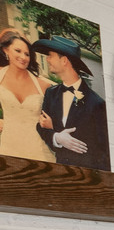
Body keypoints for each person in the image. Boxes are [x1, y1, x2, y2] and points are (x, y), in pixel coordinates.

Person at [32, 36, 108, 171]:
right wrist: (57, 137)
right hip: (59, 172)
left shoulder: (97, 103)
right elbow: (41, 127)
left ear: (64, 60)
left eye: (51, 55)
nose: (47, 59)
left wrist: (54, 127)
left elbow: (103, 151)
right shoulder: (51, 94)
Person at [0, 29, 53, 162]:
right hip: (7, 149)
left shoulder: (44, 84)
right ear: (6, 50)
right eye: (18, 51)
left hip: (39, 151)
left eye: (27, 54)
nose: (23, 57)